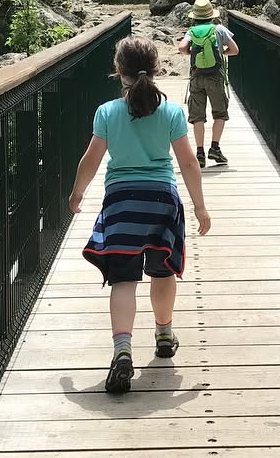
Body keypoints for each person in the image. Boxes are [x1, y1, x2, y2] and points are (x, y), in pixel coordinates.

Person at [69, 36, 211, 394]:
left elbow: (91, 159)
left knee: (123, 280)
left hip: (121, 202)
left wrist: (77, 192)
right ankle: (164, 333)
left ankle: (122, 350)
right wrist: (199, 205)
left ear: (118, 71)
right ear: (157, 68)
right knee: (163, 271)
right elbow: (188, 162)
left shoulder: (107, 112)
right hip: (162, 200)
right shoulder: (172, 112)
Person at [177, 0, 240, 168]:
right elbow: (235, 50)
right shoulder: (219, 29)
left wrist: (191, 53)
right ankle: (215, 148)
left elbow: (182, 48)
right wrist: (221, 52)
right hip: (215, 77)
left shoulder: (191, 31)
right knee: (219, 113)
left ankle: (199, 153)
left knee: (198, 116)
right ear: (211, 15)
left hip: (196, 77)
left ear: (195, 16)